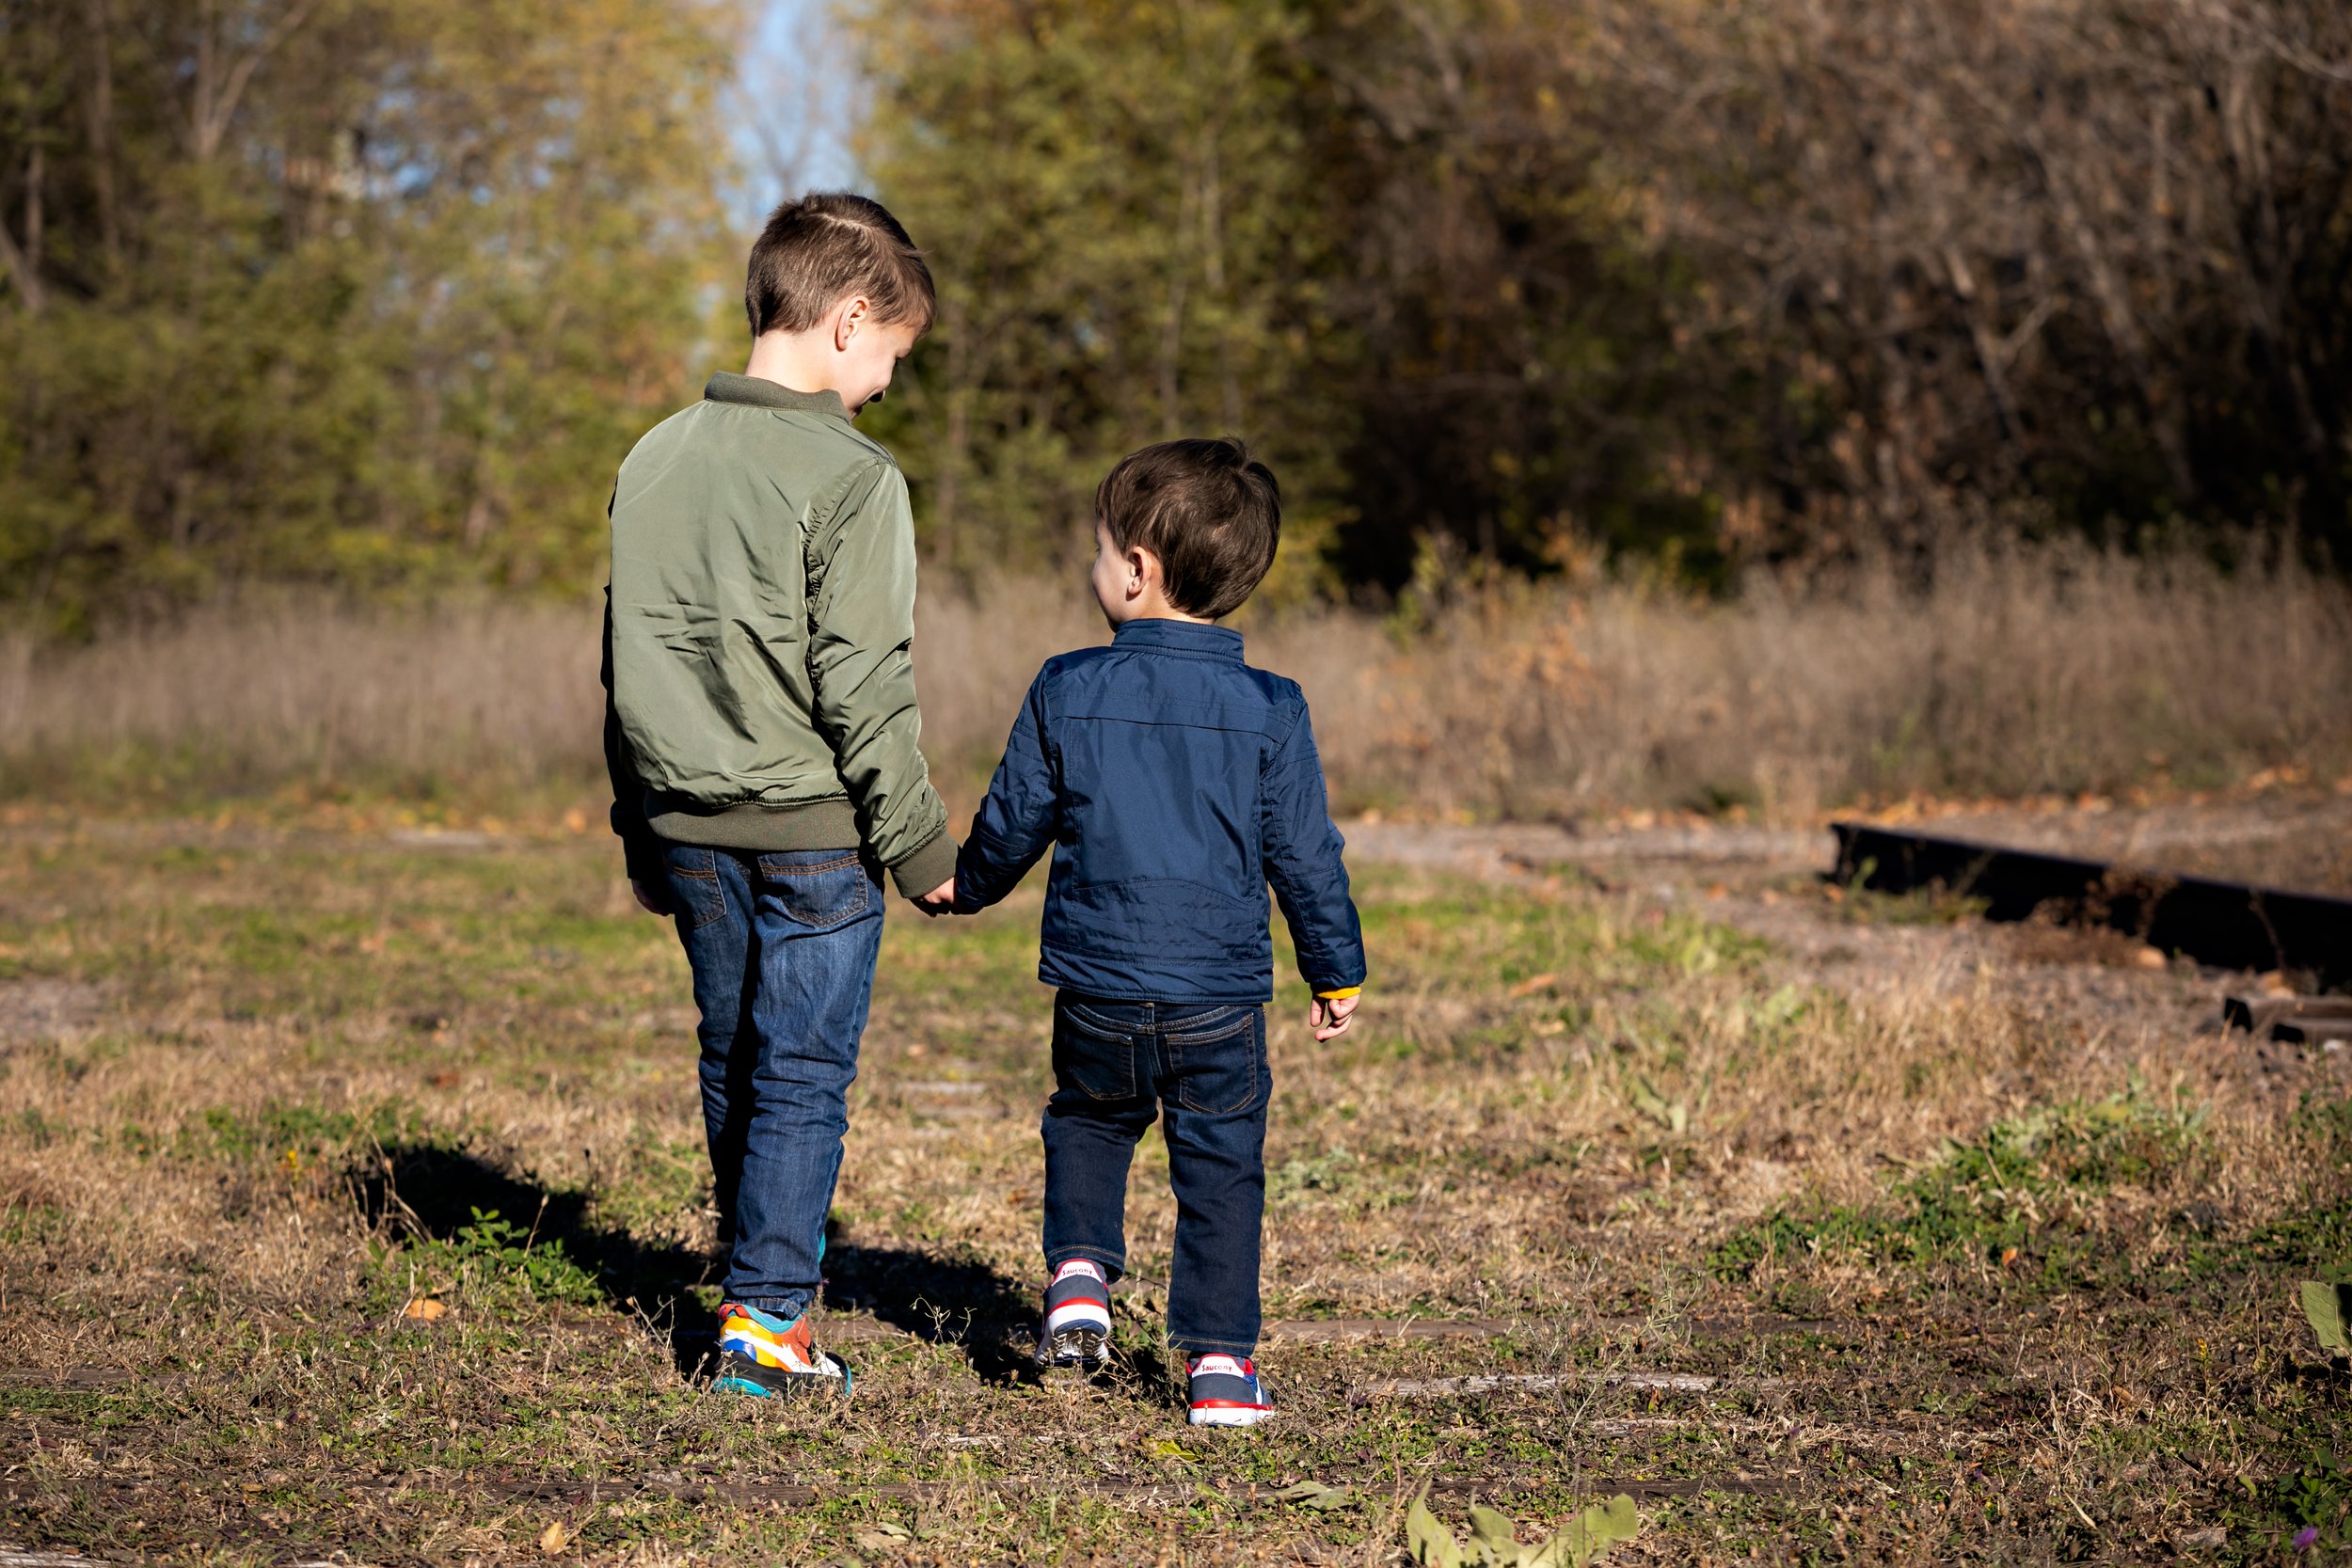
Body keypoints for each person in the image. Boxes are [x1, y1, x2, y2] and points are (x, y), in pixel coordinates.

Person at [601, 193, 959, 1400]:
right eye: (893, 361)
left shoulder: (653, 455)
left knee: (733, 1052)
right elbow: (863, 681)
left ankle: (751, 1283)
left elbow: (625, 658)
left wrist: (635, 823)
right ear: (852, 321)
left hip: (686, 826)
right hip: (815, 832)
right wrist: (917, 845)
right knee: (800, 1069)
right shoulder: (852, 476)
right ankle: (764, 1325)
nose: (886, 390)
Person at [950, 437, 1367, 1427]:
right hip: (1217, 996)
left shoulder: (1066, 685)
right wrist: (1334, 967)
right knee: (1220, 1164)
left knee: (1090, 1119)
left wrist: (961, 886)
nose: (1093, 566)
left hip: (1098, 980)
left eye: (1099, 548)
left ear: (1136, 569)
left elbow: (1013, 821)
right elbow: (1305, 853)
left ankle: (1082, 1276)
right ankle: (1221, 1365)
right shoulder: (1272, 708)